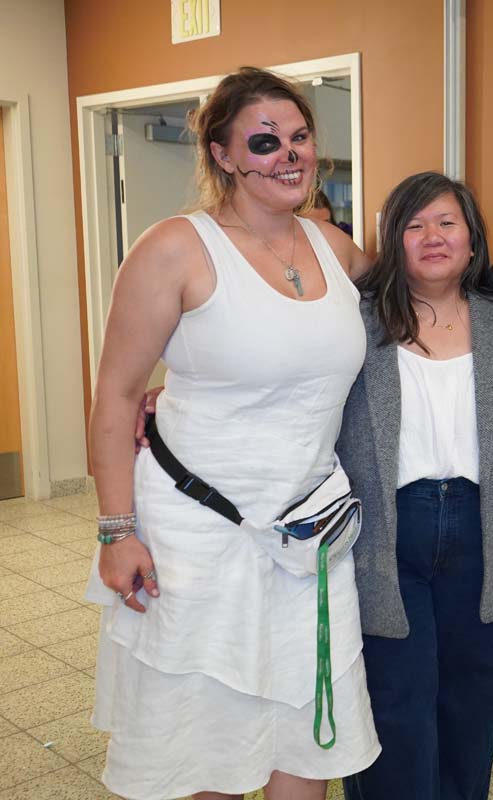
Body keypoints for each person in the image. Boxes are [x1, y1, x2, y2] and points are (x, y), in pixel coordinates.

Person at [86, 67, 379, 799]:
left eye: (301, 136)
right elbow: (117, 395)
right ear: (223, 155)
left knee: (304, 750)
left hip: (306, 539)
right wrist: (116, 531)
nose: (289, 154)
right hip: (196, 540)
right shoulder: (175, 248)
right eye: (265, 140)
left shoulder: (334, 247)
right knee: (204, 756)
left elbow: (418, 305)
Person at [338, 171, 493, 800]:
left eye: (447, 222)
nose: (432, 237)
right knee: (397, 705)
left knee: (471, 702)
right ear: (393, 242)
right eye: (413, 225)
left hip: (483, 530)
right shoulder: (357, 322)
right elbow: (291, 392)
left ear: (473, 239)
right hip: (386, 535)